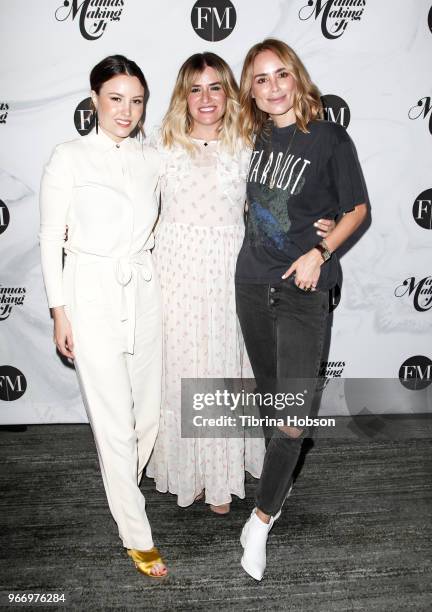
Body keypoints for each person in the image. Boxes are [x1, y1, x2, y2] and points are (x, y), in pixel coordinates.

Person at [146, 52, 334, 515]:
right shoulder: (161, 146)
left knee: (225, 368)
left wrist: (322, 224)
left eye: (215, 87)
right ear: (182, 97)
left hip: (234, 268)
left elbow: (286, 198)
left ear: (230, 93)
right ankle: (189, 469)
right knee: (182, 366)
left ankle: (221, 478)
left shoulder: (251, 143)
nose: (205, 98)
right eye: (195, 89)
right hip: (175, 272)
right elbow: (130, 205)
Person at [235, 39, 368, 581]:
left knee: (291, 419)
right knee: (274, 406)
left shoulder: (331, 137)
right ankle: (276, 491)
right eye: (260, 79)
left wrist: (322, 248)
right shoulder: (254, 136)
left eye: (280, 75)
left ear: (297, 77)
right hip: (251, 285)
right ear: (252, 88)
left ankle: (260, 520)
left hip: (304, 291)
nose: (272, 87)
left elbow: (357, 207)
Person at [39, 55, 167, 578]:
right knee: (114, 424)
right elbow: (50, 238)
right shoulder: (68, 157)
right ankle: (137, 536)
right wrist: (58, 311)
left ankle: (120, 487)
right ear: (94, 100)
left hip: (143, 290)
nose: (126, 110)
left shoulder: (153, 158)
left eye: (136, 101)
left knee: (148, 416)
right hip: (88, 295)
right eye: (115, 98)